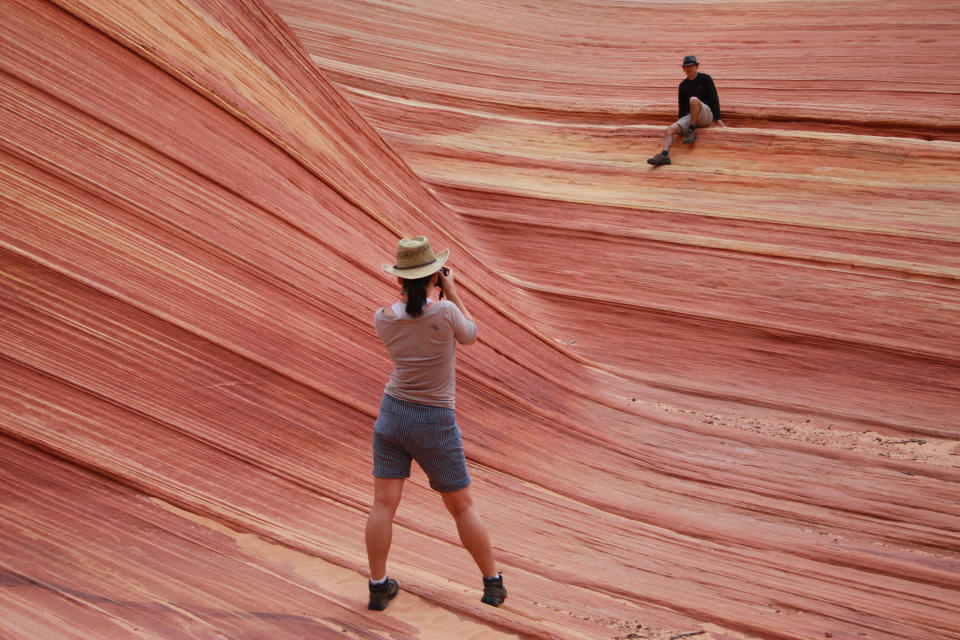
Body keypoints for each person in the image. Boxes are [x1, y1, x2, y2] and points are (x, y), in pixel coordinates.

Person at [365, 235, 507, 611]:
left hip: (392, 415)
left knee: (383, 505)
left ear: (398, 279)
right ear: (435, 278)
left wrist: (433, 291)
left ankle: (378, 587)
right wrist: (453, 292)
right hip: (435, 421)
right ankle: (492, 584)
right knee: (461, 506)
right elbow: (471, 336)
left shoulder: (382, 318)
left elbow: (410, 316)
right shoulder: (444, 313)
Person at [648, 55, 725, 166]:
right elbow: (682, 106)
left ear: (697, 66)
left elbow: (714, 98)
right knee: (669, 130)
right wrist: (681, 125)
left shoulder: (705, 78)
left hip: (705, 115)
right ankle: (664, 155)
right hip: (691, 116)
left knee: (693, 100)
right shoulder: (683, 85)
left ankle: (691, 130)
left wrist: (718, 119)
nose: (689, 69)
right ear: (683, 69)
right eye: (686, 67)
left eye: (691, 66)